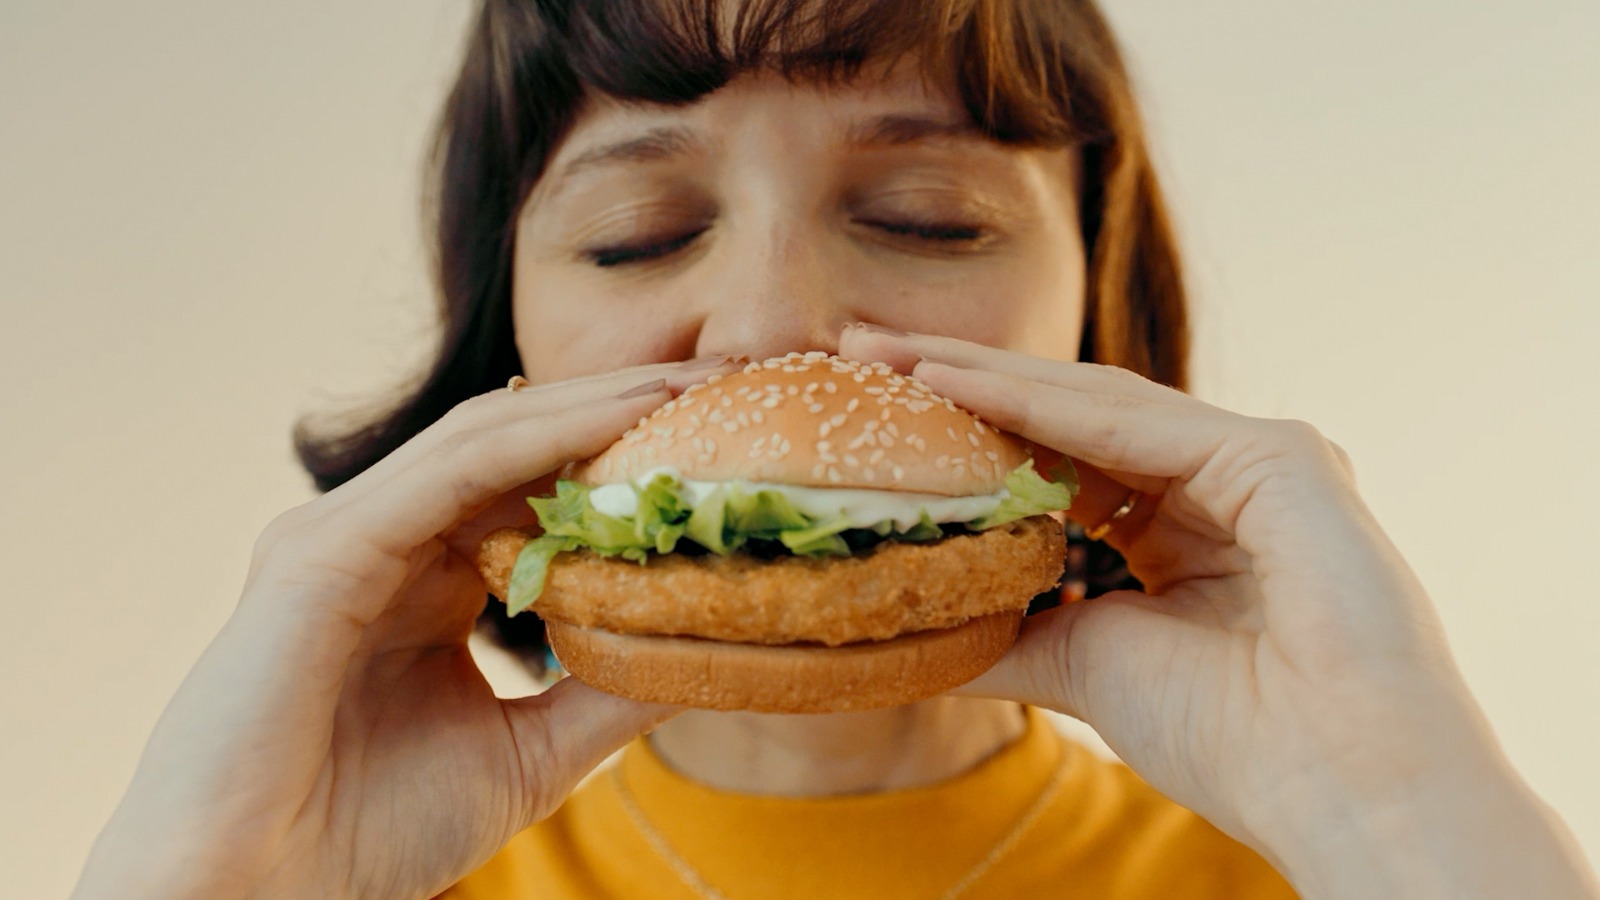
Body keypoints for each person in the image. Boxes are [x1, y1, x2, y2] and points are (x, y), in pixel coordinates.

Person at [72, 1, 1599, 898]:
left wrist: (1404, 827)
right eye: (640, 234)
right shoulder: (355, 866)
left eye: (926, 219)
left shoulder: (1306, 866)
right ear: (506, 337)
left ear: (1094, 306)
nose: (776, 322)